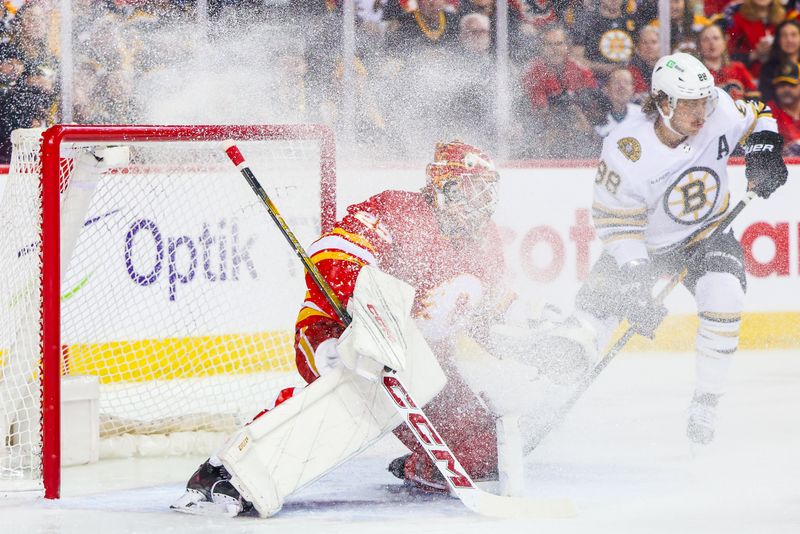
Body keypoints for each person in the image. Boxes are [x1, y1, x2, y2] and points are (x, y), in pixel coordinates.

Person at [171, 140, 594, 516]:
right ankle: (224, 467)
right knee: (330, 406)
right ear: (442, 188)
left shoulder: (484, 241)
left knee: (482, 452)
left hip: (423, 365)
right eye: (471, 188)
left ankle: (417, 465)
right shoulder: (398, 209)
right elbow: (330, 253)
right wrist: (380, 311)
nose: (482, 202)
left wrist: (534, 346)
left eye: (488, 190)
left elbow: (487, 315)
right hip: (342, 335)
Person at [573, 52, 787, 446]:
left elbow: (758, 111)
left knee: (725, 297)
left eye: (703, 100)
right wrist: (637, 279)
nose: (701, 112)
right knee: (585, 327)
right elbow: (617, 224)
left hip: (707, 234)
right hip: (643, 248)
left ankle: (706, 401)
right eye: (689, 103)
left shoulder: (718, 108)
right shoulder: (626, 149)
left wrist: (765, 149)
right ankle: (546, 396)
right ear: (664, 102)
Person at [697, 22, 760, 101]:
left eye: (716, 38)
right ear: (699, 45)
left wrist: (743, 96)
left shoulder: (738, 68)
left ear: (724, 41)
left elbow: (756, 95)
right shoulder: (696, 72)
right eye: (706, 39)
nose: (711, 43)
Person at [758, 19, 800, 103]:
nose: (789, 40)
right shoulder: (769, 68)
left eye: (794, 35)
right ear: (778, 40)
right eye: (784, 35)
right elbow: (767, 98)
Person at [766, 61, 800, 153]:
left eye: (791, 85)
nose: (786, 89)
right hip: (785, 165)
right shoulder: (768, 111)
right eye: (781, 85)